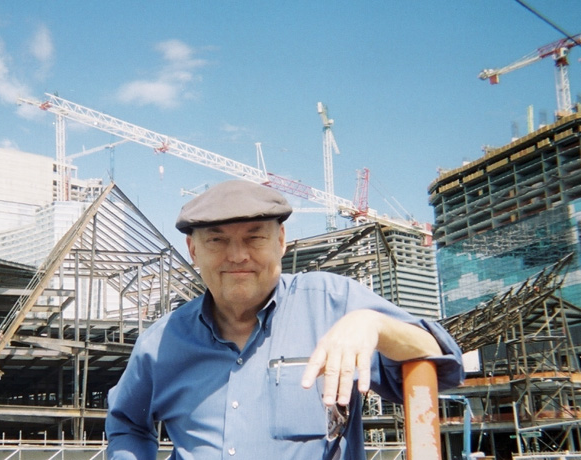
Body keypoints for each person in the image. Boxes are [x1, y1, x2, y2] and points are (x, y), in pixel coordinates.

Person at [106, 180, 464, 460]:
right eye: (216, 240)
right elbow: (126, 424)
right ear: (193, 250)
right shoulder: (160, 342)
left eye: (254, 238)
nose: (238, 255)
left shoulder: (334, 303)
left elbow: (445, 364)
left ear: (280, 240)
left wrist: (376, 326)